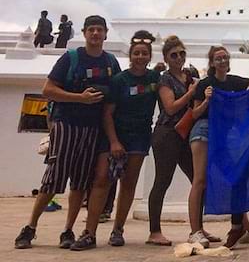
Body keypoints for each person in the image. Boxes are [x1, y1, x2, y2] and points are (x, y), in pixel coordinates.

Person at [15, 15, 121, 250]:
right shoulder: (71, 58)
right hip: (67, 124)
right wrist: (80, 99)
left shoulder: (111, 63)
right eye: (91, 29)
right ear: (84, 33)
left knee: (81, 182)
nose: (95, 34)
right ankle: (30, 227)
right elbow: (48, 89)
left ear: (105, 34)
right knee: (54, 178)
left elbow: (114, 98)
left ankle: (68, 229)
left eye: (99, 30)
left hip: (92, 128)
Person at [70, 31, 160, 250]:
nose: (140, 56)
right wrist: (114, 142)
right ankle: (89, 232)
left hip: (139, 136)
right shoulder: (119, 80)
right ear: (130, 56)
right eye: (136, 53)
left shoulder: (154, 79)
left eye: (144, 53)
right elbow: (108, 113)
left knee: (128, 184)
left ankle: (118, 230)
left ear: (150, 57)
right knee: (102, 180)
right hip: (115, 134)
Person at [146, 36, 218, 246]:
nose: (178, 58)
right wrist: (190, 93)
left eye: (181, 54)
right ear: (167, 58)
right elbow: (170, 107)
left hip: (186, 134)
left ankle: (198, 228)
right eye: (173, 55)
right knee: (162, 181)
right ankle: (154, 231)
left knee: (199, 180)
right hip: (167, 134)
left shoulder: (190, 76)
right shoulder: (164, 79)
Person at [191, 46, 249, 249]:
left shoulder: (234, 81)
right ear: (211, 62)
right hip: (205, 132)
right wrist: (208, 100)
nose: (222, 61)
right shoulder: (205, 84)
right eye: (218, 58)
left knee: (235, 176)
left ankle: (243, 227)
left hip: (223, 136)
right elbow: (194, 114)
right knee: (200, 180)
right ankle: (195, 230)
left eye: (225, 57)